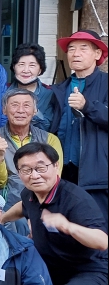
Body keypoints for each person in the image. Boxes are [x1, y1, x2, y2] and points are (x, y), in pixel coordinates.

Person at [10, 143, 108, 285]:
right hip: (52, 267)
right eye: (26, 169)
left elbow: (102, 241)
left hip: (92, 269)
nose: (34, 175)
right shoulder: (29, 194)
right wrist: (1, 218)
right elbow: (22, 206)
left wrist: (68, 226)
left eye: (41, 167)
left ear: (56, 166)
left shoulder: (76, 199)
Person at [0, 89, 63, 233]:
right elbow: (0, 182)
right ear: (4, 110)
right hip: (7, 205)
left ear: (35, 111)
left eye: (26, 105)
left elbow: (54, 180)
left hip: (41, 204)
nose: (20, 110)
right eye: (14, 105)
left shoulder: (50, 139)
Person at [51, 29, 108, 217]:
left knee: (97, 227)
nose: (76, 54)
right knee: (65, 227)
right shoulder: (59, 89)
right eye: (71, 49)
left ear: (97, 54)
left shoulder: (106, 83)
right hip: (62, 172)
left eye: (83, 48)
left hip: (97, 173)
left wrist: (87, 106)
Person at [8, 43, 59, 132]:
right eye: (21, 64)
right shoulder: (4, 91)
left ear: (40, 69)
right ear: (14, 67)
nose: (26, 70)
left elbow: (47, 127)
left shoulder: (50, 94)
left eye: (32, 65)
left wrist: (34, 112)